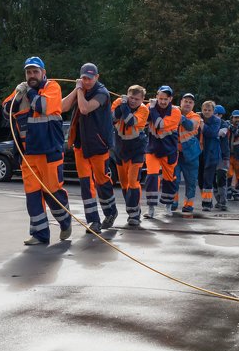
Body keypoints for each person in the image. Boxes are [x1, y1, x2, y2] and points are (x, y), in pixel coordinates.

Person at [2, 56, 72, 245]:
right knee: (32, 195)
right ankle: (40, 234)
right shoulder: (23, 89)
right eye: (28, 72)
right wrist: (18, 95)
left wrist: (30, 93)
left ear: (43, 73)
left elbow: (42, 106)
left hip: (50, 152)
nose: (31, 75)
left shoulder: (52, 87)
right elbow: (6, 109)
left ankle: (65, 222)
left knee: (52, 191)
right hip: (28, 153)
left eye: (35, 72)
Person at [62, 63, 117, 233]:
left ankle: (111, 211)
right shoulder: (81, 89)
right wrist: (77, 89)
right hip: (80, 146)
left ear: (97, 77)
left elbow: (85, 109)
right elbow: (63, 107)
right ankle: (94, 221)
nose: (86, 81)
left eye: (89, 78)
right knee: (86, 184)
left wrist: (80, 90)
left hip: (99, 145)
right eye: (84, 78)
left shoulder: (102, 93)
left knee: (102, 181)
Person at [111, 85, 150, 226]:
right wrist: (121, 106)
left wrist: (123, 107)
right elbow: (112, 118)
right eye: (131, 98)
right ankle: (132, 209)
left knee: (133, 182)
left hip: (137, 149)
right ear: (127, 95)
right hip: (120, 148)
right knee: (124, 183)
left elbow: (130, 121)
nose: (133, 101)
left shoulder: (144, 110)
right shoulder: (119, 102)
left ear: (142, 99)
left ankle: (134, 215)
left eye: (136, 99)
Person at [144, 85, 183, 218]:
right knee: (152, 176)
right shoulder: (150, 107)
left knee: (169, 179)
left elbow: (160, 124)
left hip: (169, 150)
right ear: (156, 97)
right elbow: (144, 119)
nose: (162, 101)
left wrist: (153, 108)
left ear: (170, 99)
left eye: (165, 99)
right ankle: (151, 208)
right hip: (152, 149)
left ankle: (167, 206)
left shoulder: (176, 112)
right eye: (160, 98)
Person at [170, 93, 201, 216]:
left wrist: (179, 115)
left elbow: (189, 126)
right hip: (175, 154)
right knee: (173, 179)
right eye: (186, 101)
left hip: (191, 155)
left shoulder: (196, 117)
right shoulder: (173, 111)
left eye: (190, 102)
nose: (188, 104)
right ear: (181, 102)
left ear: (193, 105)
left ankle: (188, 205)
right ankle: (172, 203)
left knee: (191, 181)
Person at [198, 100, 225, 211]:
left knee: (208, 178)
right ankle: (205, 199)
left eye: (209, 110)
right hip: (199, 152)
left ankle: (207, 204)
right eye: (205, 109)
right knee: (200, 179)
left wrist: (202, 125)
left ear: (213, 111)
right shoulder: (198, 116)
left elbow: (212, 133)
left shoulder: (216, 120)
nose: (207, 112)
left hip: (212, 153)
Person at [213, 105, 231, 211]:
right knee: (212, 180)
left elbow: (221, 133)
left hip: (223, 156)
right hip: (211, 155)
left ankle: (223, 201)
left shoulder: (224, 124)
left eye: (216, 114)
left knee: (221, 177)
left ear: (221, 115)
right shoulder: (210, 123)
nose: (215, 116)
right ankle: (218, 200)